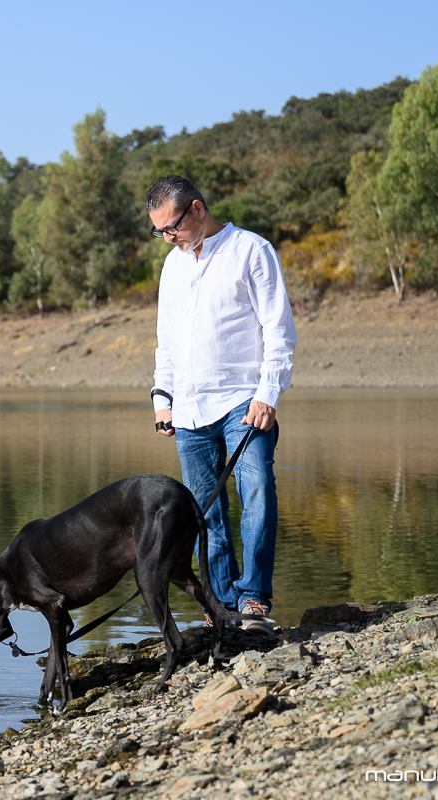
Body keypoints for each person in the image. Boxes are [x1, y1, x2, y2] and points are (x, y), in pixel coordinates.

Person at [145, 175, 296, 634]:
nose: (168, 238)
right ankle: (220, 606)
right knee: (203, 512)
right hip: (188, 409)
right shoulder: (172, 267)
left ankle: (253, 603)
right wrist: (162, 397)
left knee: (257, 493)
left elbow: (279, 329)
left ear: (196, 208)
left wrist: (267, 394)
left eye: (171, 227)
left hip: (243, 402)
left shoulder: (251, 250)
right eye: (159, 232)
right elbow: (166, 341)